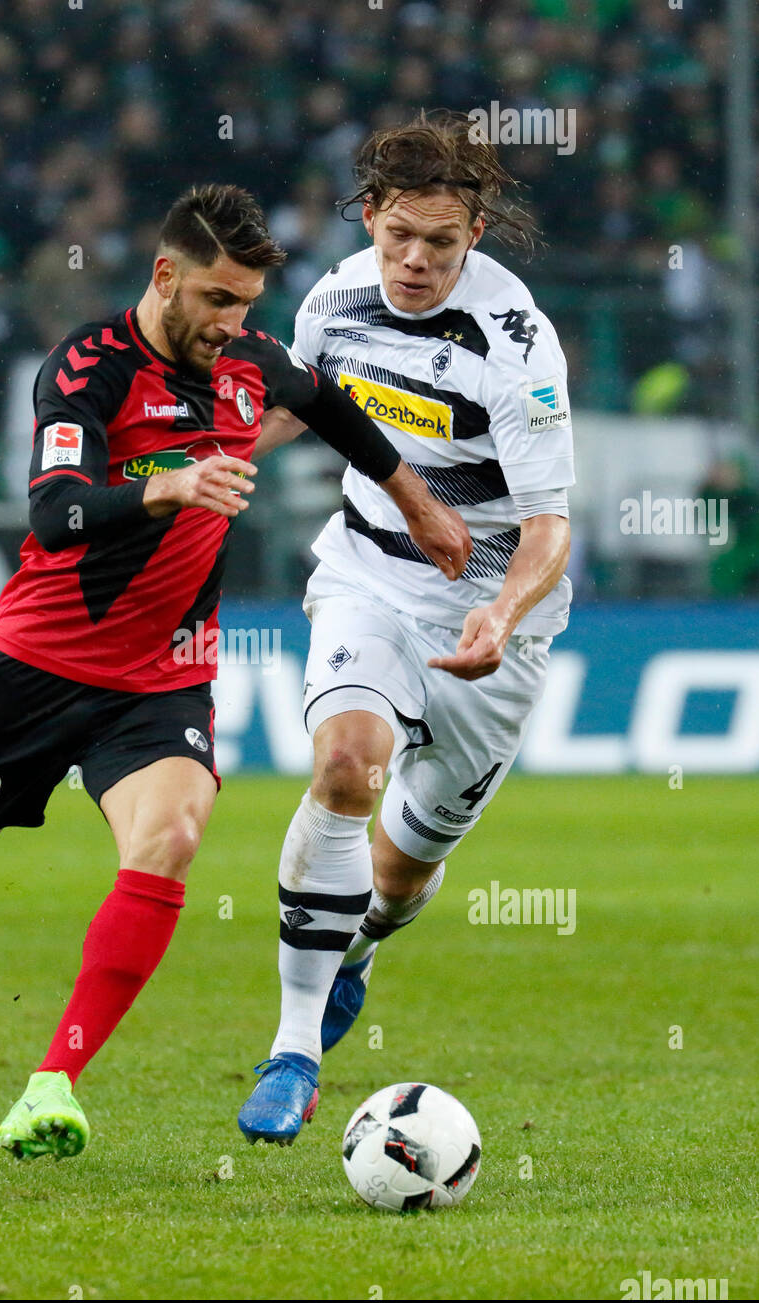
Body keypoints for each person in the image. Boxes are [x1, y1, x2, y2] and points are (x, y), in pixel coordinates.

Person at [0, 183, 468, 1161]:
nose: (233, 323)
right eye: (217, 300)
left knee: (172, 838)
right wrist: (173, 485)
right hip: (31, 668)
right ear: (164, 276)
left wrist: (414, 501)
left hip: (159, 679)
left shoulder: (249, 364)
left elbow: (335, 410)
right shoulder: (87, 370)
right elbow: (54, 513)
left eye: (245, 304)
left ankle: (51, 1082)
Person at [237, 117, 574, 1144]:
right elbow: (292, 407)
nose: (415, 262)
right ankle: (293, 1051)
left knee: (397, 873)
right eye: (397, 239)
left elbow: (549, 526)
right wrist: (184, 453)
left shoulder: (513, 342)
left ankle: (364, 944)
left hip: (490, 616)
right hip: (368, 574)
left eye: (440, 241)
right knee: (344, 766)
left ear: (474, 229)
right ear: (369, 218)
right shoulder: (334, 297)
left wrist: (499, 611)